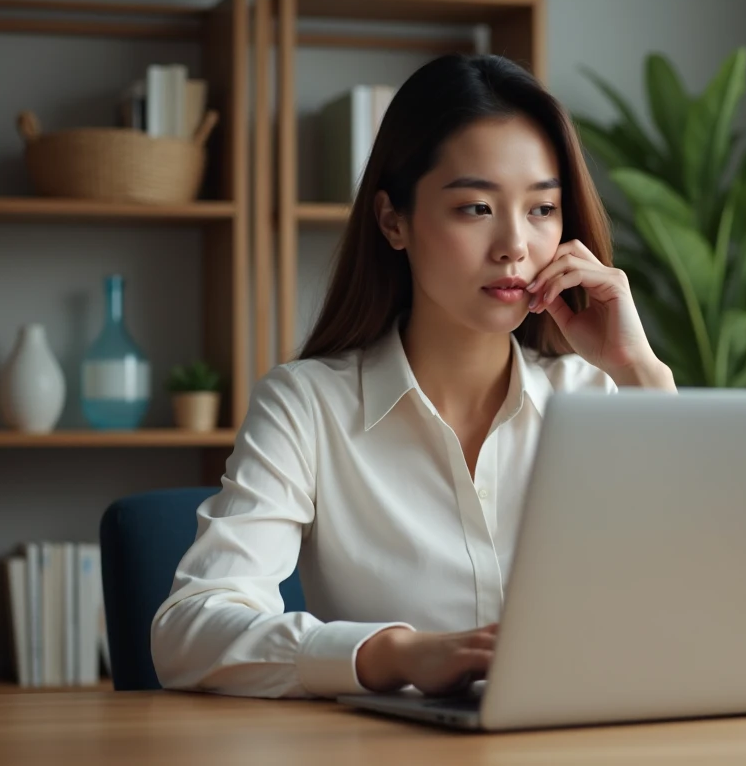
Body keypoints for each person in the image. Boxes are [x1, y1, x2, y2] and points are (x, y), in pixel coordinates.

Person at [150, 53, 676, 700]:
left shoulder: (595, 398)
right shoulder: (307, 407)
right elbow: (188, 632)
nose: (515, 243)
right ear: (393, 221)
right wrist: (396, 655)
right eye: (477, 208)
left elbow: (708, 604)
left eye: (542, 209)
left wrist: (639, 371)